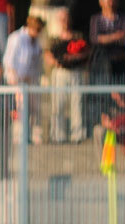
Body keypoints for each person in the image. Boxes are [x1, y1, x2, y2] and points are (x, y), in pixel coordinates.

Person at [45, 7, 90, 143]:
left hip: (76, 72)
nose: (64, 21)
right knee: (58, 103)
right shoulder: (54, 38)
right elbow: (47, 54)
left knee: (78, 103)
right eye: (62, 18)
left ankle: (77, 134)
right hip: (60, 72)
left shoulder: (78, 36)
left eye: (66, 18)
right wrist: (56, 62)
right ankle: (58, 135)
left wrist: (75, 58)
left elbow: (87, 51)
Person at [3, 15, 45, 144]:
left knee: (33, 109)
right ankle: (19, 136)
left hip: (31, 80)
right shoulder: (17, 38)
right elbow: (8, 60)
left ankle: (30, 135)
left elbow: (36, 61)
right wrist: (15, 79)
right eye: (36, 30)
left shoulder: (36, 41)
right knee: (20, 109)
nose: (37, 33)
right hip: (17, 81)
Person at [89, 0, 125, 82]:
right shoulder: (95, 19)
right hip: (100, 62)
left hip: (119, 60)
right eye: (107, 0)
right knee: (103, 90)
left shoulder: (124, 18)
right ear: (101, 3)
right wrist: (115, 36)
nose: (110, 2)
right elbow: (94, 39)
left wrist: (104, 38)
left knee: (120, 88)